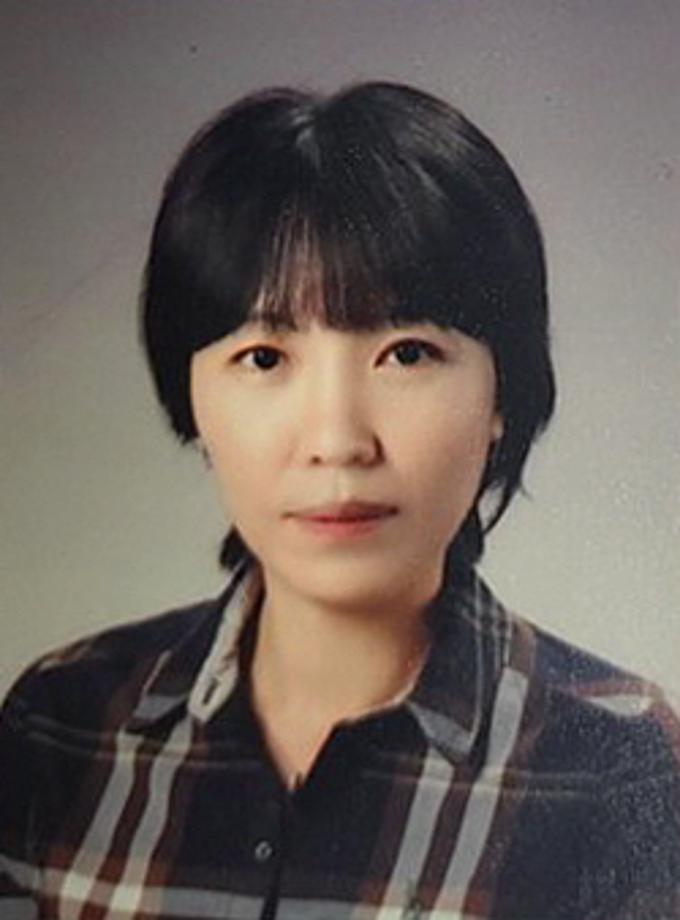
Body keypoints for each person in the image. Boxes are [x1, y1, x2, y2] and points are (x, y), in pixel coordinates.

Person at [1, 81, 679, 920]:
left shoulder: (617, 762)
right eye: (263, 358)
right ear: (192, 400)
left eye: (406, 353)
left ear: (502, 395)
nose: (337, 439)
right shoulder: (62, 724)